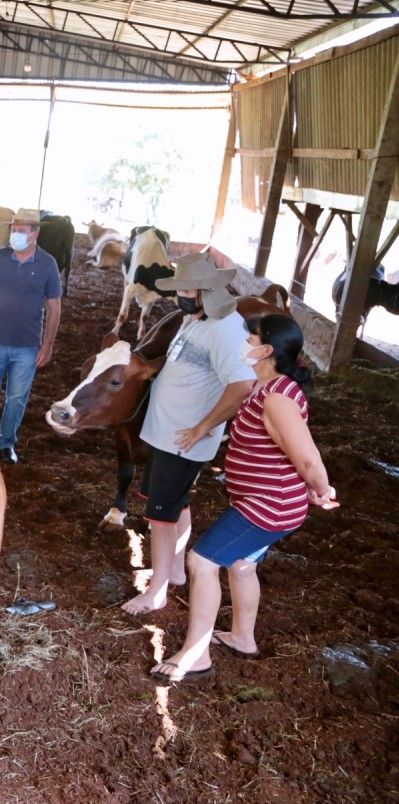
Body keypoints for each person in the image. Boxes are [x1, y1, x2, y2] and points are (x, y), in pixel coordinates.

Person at [151, 314, 337, 683]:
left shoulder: (277, 399)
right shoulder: (265, 386)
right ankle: (242, 637)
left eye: (251, 338)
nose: (245, 343)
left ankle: (196, 654)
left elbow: (306, 457)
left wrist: (321, 488)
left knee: (202, 562)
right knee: (241, 564)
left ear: (267, 350)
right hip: (266, 500)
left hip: (268, 505)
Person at [122, 252, 256, 615]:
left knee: (160, 516)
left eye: (183, 288)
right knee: (176, 503)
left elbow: (243, 384)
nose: (177, 294)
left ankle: (157, 590)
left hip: (184, 439)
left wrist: (203, 427)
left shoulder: (226, 329)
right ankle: (175, 571)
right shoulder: (195, 318)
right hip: (168, 434)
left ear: (202, 290)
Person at [0, 208, 63, 464]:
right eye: (13, 229)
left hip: (28, 345)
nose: (15, 234)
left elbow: (54, 306)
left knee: (17, 399)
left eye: (21, 230)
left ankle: (7, 442)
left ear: (35, 234)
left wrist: (48, 345)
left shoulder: (48, 264)